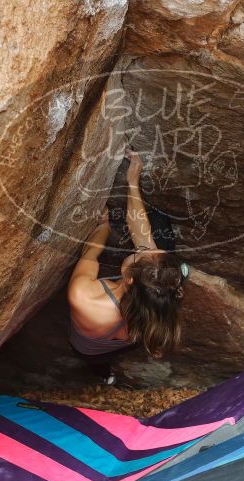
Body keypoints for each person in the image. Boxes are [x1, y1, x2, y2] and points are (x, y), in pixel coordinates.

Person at [67, 150, 185, 385]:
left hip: (89, 347)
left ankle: (103, 374)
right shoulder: (159, 301)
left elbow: (92, 251)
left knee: (94, 360)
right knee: (160, 241)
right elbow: (143, 237)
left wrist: (103, 226)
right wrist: (133, 181)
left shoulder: (83, 296)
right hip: (126, 340)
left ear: (130, 279)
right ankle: (106, 373)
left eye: (140, 253)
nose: (142, 247)